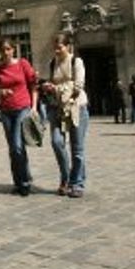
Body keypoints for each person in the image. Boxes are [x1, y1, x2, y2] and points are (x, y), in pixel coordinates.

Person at [41, 33, 88, 198]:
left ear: (68, 46)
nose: (56, 50)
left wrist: (57, 88)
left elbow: (78, 87)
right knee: (56, 142)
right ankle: (65, 177)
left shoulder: (76, 61)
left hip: (77, 107)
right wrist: (48, 86)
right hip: (58, 108)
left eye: (59, 47)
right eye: (54, 47)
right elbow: (55, 83)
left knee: (77, 148)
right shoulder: (53, 62)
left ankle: (77, 183)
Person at [0, 38, 38, 196]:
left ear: (13, 50)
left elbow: (33, 84)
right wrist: (1, 92)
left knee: (17, 146)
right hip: (6, 111)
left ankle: (24, 183)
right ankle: (19, 181)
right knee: (13, 148)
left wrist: (34, 107)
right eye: (3, 49)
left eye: (8, 49)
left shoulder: (23, 64)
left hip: (22, 107)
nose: (6, 52)